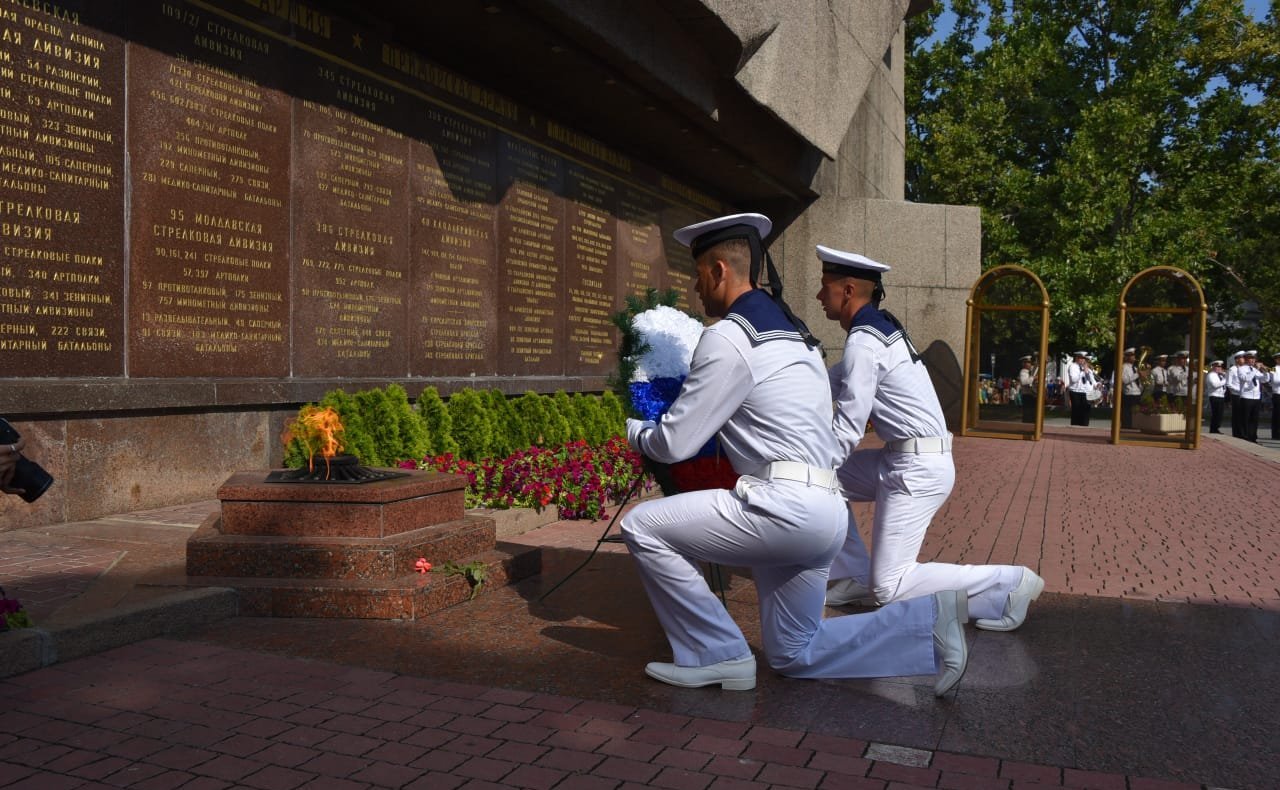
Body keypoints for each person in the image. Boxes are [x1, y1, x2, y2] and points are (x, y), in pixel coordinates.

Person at [621, 214, 970, 696]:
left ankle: (716, 654)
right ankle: (928, 623)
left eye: (699, 274)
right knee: (793, 650)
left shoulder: (728, 337)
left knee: (642, 526)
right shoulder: (797, 335)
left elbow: (675, 443)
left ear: (720, 271)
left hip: (779, 508)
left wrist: (636, 431)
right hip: (825, 510)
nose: (696, 288)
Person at [813, 245, 1041, 633]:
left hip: (916, 470)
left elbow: (848, 427)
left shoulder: (864, 341)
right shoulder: (878, 330)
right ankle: (853, 574)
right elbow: (823, 384)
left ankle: (1010, 582)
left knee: (890, 587)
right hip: (902, 459)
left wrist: (804, 460)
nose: (819, 296)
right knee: (822, 482)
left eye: (825, 287)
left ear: (848, 290)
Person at [1236, 350, 1267, 443]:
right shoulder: (1241, 369)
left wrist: (1266, 372)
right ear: (1246, 359)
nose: (1253, 361)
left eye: (1254, 359)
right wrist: (1255, 370)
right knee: (1245, 418)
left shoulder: (1254, 370)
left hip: (1256, 397)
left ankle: (1252, 437)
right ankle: (1244, 437)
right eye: (1251, 359)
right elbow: (1246, 378)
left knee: (1254, 419)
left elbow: (1264, 380)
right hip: (1246, 396)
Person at [1066, 350, 1098, 426]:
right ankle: (1075, 429)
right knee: (1076, 412)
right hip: (1076, 392)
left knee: (1086, 412)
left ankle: (1085, 428)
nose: (1084, 360)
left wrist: (1097, 384)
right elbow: (1074, 379)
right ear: (1077, 358)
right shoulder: (1073, 366)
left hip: (1086, 392)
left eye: (1084, 358)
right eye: (1082, 358)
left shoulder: (1088, 368)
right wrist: (1082, 371)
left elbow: (1092, 380)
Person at [1120, 348, 1143, 429]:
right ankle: (1127, 429)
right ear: (1126, 357)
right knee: (1127, 416)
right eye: (1131, 355)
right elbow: (1124, 380)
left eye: (1133, 355)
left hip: (1137, 393)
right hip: (1129, 394)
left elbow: (1139, 381)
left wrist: (1143, 378)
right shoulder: (1123, 367)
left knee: (1136, 415)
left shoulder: (1135, 368)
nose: (1134, 357)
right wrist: (1137, 374)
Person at [1205, 360, 1227, 434]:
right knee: (1215, 413)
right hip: (1214, 396)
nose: (1219, 368)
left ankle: (1216, 428)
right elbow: (1215, 385)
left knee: (1219, 414)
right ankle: (1213, 429)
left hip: (1221, 396)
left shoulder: (1220, 375)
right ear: (1213, 367)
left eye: (1220, 367)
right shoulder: (1211, 375)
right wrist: (1225, 380)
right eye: (1217, 367)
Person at [1228, 350, 1245, 438]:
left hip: (1244, 395)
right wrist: (1239, 390)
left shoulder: (1245, 369)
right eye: (1242, 358)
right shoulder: (1232, 369)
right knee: (1236, 415)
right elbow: (1229, 384)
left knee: (1243, 415)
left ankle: (1242, 433)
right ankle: (1236, 433)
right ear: (1237, 359)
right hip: (1236, 395)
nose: (1244, 359)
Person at [1018, 355, 1038, 423]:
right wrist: (1033, 378)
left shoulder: (1031, 371)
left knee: (1033, 414)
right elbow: (1024, 382)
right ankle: (1025, 427)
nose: (1030, 364)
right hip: (1027, 395)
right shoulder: (1023, 372)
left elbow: (1036, 367)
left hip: (1033, 395)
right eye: (1028, 362)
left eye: (1030, 362)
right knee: (1027, 414)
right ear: (1023, 364)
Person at [1271, 352, 1280, 440]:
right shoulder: (1273, 368)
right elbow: (1274, 381)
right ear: (1276, 360)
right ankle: (1276, 434)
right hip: (1277, 394)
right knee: (1277, 415)